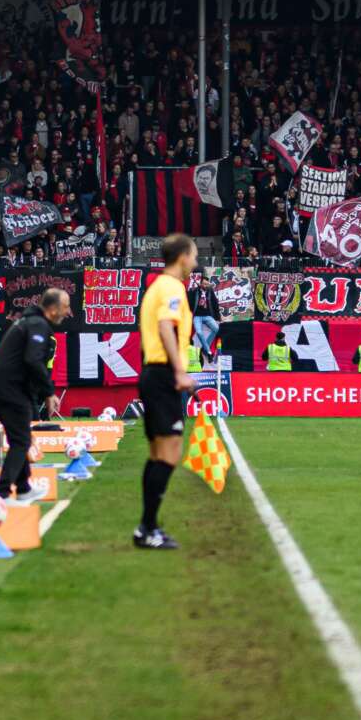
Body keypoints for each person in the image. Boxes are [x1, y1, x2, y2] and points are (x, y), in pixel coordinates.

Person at [134, 233, 197, 550]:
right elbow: (165, 326)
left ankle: (147, 527)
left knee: (158, 453)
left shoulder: (157, 286)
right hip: (162, 375)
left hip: (152, 372)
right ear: (183, 256)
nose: (195, 262)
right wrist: (180, 372)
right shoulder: (172, 287)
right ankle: (147, 528)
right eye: (195, 256)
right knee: (169, 454)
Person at [0, 288, 72, 503]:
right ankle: (1, 493)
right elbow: (33, 360)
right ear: (52, 309)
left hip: (1, 387)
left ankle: (23, 488)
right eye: (65, 306)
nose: (68, 312)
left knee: (19, 438)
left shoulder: (30, 322)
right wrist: (49, 392)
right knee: (22, 440)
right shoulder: (37, 324)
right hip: (8, 389)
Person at [190, 272, 220, 359]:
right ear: (200, 284)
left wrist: (217, 318)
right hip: (197, 316)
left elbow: (215, 304)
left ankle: (205, 348)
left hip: (208, 316)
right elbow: (189, 304)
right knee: (199, 332)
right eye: (204, 284)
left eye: (207, 284)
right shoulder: (195, 292)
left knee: (216, 329)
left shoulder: (210, 292)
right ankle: (208, 351)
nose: (205, 285)